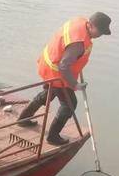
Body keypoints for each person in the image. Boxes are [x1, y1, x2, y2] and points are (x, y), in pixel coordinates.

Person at [18, 12, 112, 146]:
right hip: (57, 73)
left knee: (49, 93)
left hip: (48, 63)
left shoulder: (79, 22)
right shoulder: (78, 43)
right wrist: (75, 84)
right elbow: (64, 66)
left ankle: (23, 118)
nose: (100, 35)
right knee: (70, 103)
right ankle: (52, 137)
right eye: (100, 31)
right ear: (90, 25)